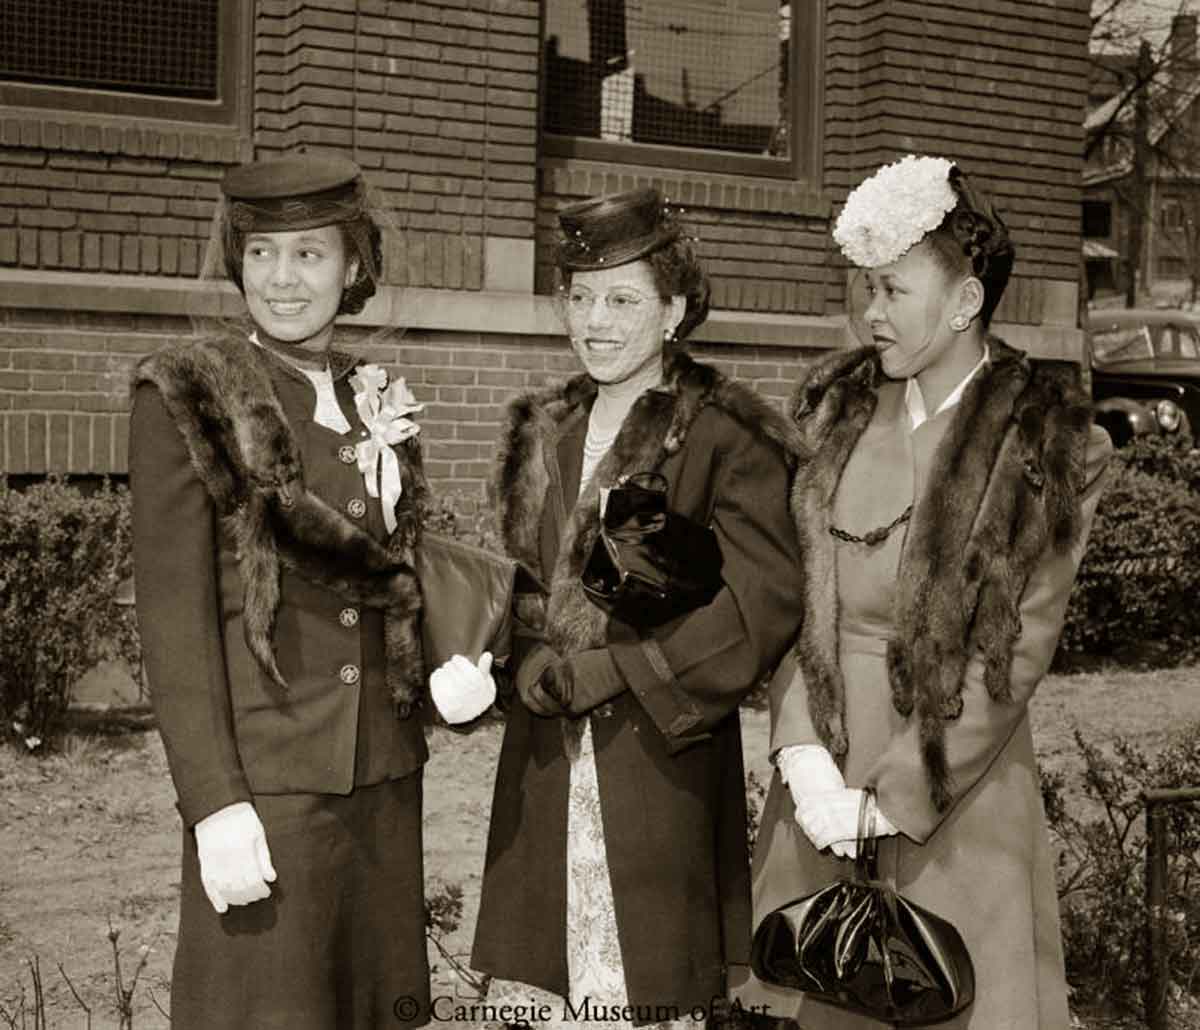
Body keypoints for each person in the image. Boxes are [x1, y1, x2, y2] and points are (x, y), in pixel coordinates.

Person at [731, 155, 1113, 1028]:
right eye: (864, 290)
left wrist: (894, 798)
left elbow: (1014, 650)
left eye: (893, 291)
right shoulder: (834, 415)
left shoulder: (1047, 445)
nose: (870, 313)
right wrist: (802, 758)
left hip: (953, 791)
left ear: (965, 301)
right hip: (824, 779)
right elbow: (799, 603)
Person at [430, 187, 806, 1028]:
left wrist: (621, 670)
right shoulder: (545, 429)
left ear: (674, 310)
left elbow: (765, 604)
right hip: (544, 767)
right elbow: (526, 586)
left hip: (658, 764)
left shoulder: (725, 434)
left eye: (623, 299)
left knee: (643, 987)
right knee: (542, 987)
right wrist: (513, 660)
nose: (595, 320)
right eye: (581, 297)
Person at [129, 153, 431, 1029]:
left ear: (352, 267)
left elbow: (400, 573)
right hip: (271, 793)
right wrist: (214, 802)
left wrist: (456, 655)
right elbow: (174, 622)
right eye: (261, 253)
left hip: (383, 780)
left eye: (308, 254)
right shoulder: (191, 392)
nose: (282, 279)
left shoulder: (372, 394)